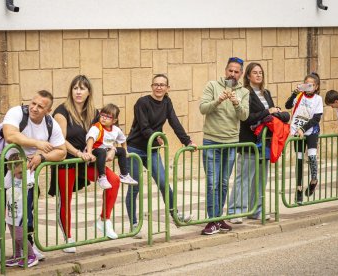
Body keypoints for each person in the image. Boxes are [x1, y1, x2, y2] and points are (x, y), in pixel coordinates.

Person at [0, 90, 67, 263]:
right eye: (33, 103)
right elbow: (10, 135)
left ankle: (29, 248)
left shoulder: (50, 124)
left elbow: (62, 151)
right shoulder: (17, 112)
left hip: (28, 171)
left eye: (41, 106)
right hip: (4, 166)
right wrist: (37, 143)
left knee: (25, 210)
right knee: (0, 207)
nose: (35, 108)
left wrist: (42, 157)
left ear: (48, 110)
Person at [52, 75, 121, 246]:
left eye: (82, 88)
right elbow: (60, 139)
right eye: (75, 88)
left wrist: (112, 149)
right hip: (66, 160)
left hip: (87, 161)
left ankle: (104, 220)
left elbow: (109, 134)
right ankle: (68, 238)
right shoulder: (62, 111)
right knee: (65, 200)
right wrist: (77, 153)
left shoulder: (96, 113)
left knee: (113, 180)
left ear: (89, 92)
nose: (78, 91)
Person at [125, 74, 197, 230]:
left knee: (164, 183)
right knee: (135, 186)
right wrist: (154, 136)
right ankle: (134, 223)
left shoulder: (166, 102)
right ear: (151, 86)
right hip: (135, 149)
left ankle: (175, 215)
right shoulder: (142, 102)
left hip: (152, 150)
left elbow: (174, 122)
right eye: (156, 84)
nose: (159, 87)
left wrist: (187, 141)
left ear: (167, 88)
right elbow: (144, 126)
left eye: (162, 85)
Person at [199, 57, 249, 235]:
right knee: (212, 183)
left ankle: (218, 218)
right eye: (230, 70)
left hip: (231, 142)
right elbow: (203, 108)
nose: (233, 74)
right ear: (225, 70)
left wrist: (236, 103)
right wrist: (218, 101)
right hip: (211, 141)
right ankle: (211, 221)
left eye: (237, 72)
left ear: (241, 74)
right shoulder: (212, 86)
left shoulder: (244, 92)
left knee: (223, 183)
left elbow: (244, 116)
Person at [227, 62, 278, 224]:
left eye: (261, 72)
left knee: (260, 178)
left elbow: (273, 114)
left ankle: (257, 209)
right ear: (248, 76)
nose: (258, 75)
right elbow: (247, 117)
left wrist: (272, 114)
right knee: (244, 178)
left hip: (265, 142)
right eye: (255, 72)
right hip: (249, 141)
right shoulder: (245, 93)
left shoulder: (266, 93)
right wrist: (267, 112)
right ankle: (235, 211)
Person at [285, 72, 323, 205]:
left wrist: (303, 129)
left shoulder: (318, 99)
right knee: (299, 160)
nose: (308, 87)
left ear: (316, 86)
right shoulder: (300, 95)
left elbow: (316, 118)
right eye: (306, 84)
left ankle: (313, 180)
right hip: (297, 131)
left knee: (312, 156)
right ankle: (299, 189)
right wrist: (294, 93)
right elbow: (287, 105)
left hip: (311, 131)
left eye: (311, 85)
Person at [86, 103, 138, 189]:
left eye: (108, 117)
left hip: (106, 151)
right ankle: (102, 177)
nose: (104, 118)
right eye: (102, 115)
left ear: (114, 121)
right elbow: (90, 139)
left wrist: (125, 150)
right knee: (102, 151)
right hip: (95, 150)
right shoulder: (96, 128)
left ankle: (124, 175)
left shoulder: (116, 130)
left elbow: (123, 140)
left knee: (121, 151)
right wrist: (89, 153)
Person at [4, 153, 38, 268]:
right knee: (14, 236)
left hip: (21, 212)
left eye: (21, 172)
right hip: (11, 209)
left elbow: (30, 184)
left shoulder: (28, 176)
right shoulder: (11, 177)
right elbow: (6, 185)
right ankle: (17, 255)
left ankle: (31, 256)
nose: (19, 175)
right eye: (17, 173)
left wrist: (27, 169)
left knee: (19, 236)